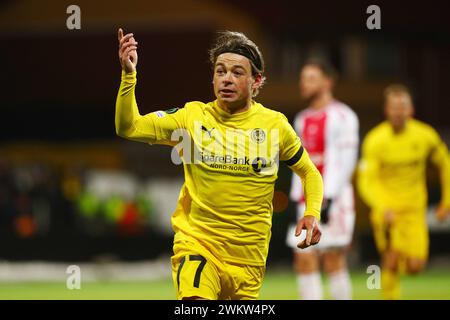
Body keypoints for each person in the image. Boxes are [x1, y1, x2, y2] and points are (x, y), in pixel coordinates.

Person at [115, 28, 324, 300]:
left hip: (249, 259)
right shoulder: (191, 118)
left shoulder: (275, 125)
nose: (226, 79)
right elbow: (128, 127)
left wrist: (312, 212)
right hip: (198, 245)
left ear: (256, 81)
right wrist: (129, 75)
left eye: (237, 73)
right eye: (220, 71)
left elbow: (309, 172)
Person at [357, 84, 450, 300]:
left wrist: (446, 201)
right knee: (390, 258)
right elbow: (366, 180)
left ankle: (398, 266)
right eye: (394, 107)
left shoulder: (425, 135)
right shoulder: (375, 140)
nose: (398, 112)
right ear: (386, 110)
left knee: (416, 266)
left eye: (403, 107)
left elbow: (445, 164)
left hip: (414, 209)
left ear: (411, 110)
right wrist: (381, 206)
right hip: (387, 209)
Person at [285, 59, 359, 300]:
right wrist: (299, 196)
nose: (303, 83)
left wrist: (329, 195)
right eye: (302, 78)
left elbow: (348, 160)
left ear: (328, 82)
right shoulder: (300, 119)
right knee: (303, 257)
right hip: (307, 200)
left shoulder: (343, 115)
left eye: (310, 78)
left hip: (334, 199)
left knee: (332, 259)